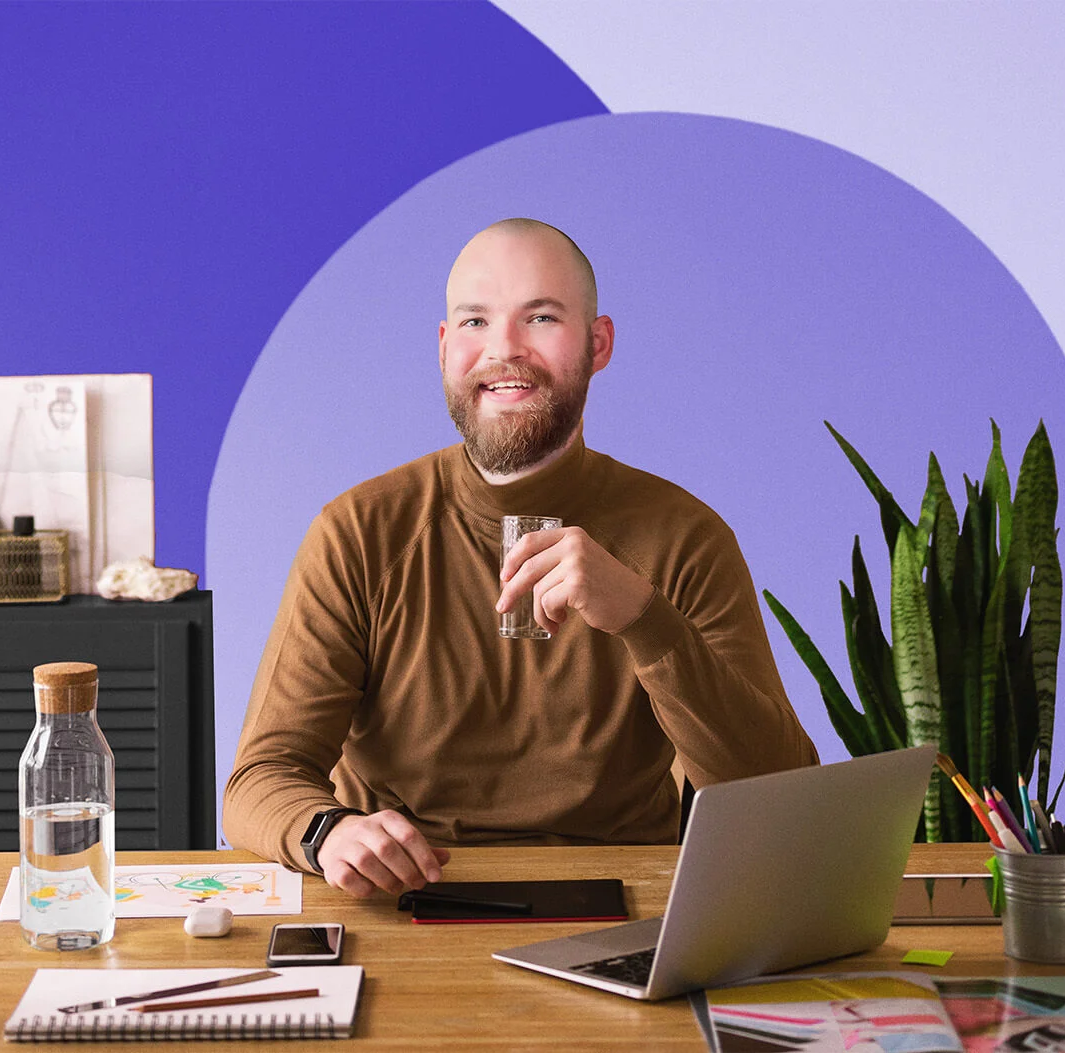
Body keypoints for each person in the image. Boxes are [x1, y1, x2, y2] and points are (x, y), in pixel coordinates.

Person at [223, 218, 818, 898]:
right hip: (406, 898)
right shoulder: (358, 532)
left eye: (539, 317)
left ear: (598, 345)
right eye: (475, 321)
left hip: (625, 905)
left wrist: (644, 619)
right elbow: (257, 780)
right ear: (445, 348)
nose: (503, 349)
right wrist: (329, 832)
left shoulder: (686, 537)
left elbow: (779, 801)